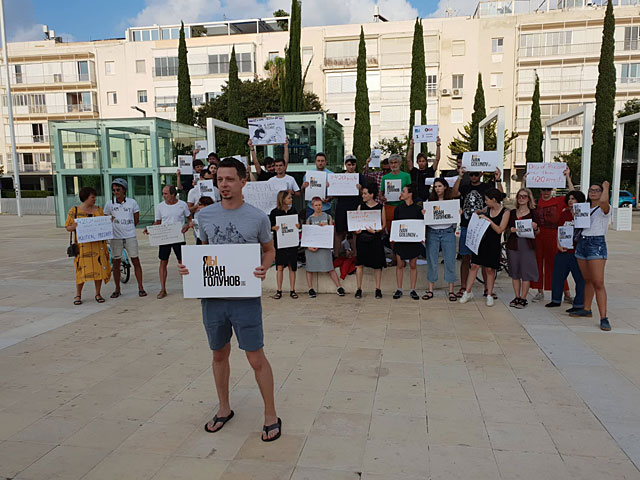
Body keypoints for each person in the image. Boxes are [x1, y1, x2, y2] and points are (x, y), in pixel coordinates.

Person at [177, 157, 282, 442]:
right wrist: (190, 268)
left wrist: (265, 266)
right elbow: (204, 252)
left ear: (243, 181)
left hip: (245, 298)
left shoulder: (258, 217)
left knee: (255, 357)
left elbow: (270, 249)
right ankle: (224, 408)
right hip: (213, 298)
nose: (223, 184)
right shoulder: (205, 216)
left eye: (229, 179)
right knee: (218, 354)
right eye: (219, 179)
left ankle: (271, 414)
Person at [453, 166, 503, 297]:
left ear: (481, 173)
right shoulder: (464, 186)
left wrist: (498, 180)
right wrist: (459, 176)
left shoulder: (487, 187)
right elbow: (453, 194)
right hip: (466, 227)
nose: (473, 177)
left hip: (483, 228)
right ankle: (463, 287)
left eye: (476, 174)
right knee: (465, 258)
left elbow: (500, 197)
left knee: (485, 261)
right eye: (471, 175)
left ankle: (488, 289)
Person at [530, 168, 574, 302]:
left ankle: (566, 293)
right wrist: (526, 181)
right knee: (538, 262)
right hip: (538, 234)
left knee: (557, 264)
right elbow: (524, 197)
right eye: (543, 189)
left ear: (552, 189)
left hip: (554, 234)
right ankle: (539, 291)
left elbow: (573, 194)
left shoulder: (560, 200)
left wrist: (568, 177)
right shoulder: (536, 202)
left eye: (548, 189)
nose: (545, 192)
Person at [572, 182, 612, 331]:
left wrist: (606, 187)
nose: (593, 192)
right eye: (591, 190)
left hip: (596, 242)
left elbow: (603, 201)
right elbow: (574, 196)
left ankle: (604, 317)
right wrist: (569, 178)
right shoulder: (585, 207)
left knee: (598, 282)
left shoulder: (604, 209)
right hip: (583, 242)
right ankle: (586, 308)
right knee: (587, 279)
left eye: (597, 190)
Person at [459, 188, 509, 307]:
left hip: (493, 243)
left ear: (494, 200)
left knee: (490, 269)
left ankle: (489, 294)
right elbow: (479, 211)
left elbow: (500, 230)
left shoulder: (506, 212)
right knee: (474, 265)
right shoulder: (487, 209)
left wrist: (489, 220)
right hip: (481, 241)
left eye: (487, 200)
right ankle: (468, 291)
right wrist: (477, 213)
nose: (485, 202)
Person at [65, 187, 112, 305]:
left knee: (99, 270)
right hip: (82, 247)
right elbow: (68, 227)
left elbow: (103, 224)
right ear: (85, 197)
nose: (95, 199)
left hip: (97, 246)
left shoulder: (98, 210)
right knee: (81, 271)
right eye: (92, 197)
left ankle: (98, 293)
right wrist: (74, 226)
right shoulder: (74, 210)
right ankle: (78, 295)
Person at [145, 186, 191, 299]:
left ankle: (187, 287)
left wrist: (187, 226)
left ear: (173, 194)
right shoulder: (160, 206)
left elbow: (189, 218)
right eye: (163, 193)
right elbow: (158, 221)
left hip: (178, 236)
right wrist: (150, 229)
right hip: (165, 237)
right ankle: (163, 289)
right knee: (163, 262)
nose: (164, 196)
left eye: (166, 193)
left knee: (181, 262)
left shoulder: (182, 204)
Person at [104, 178, 146, 298]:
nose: (116, 192)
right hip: (116, 237)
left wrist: (127, 228)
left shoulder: (132, 202)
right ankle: (117, 289)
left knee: (135, 260)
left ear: (124, 190)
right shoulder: (109, 204)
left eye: (118, 189)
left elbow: (136, 219)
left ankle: (141, 287)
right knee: (116, 263)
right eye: (114, 190)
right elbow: (106, 219)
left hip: (130, 236)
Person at [546, 190, 586, 313]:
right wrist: (558, 243)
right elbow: (560, 230)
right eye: (569, 198)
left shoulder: (584, 214)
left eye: (573, 199)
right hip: (563, 250)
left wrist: (575, 215)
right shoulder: (564, 214)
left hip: (577, 252)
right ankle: (556, 299)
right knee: (558, 276)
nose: (570, 201)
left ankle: (579, 304)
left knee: (579, 278)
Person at [424, 178, 458, 301]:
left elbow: (455, 217)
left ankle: (451, 290)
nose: (437, 188)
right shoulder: (429, 200)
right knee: (432, 260)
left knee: (450, 261)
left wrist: (457, 213)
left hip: (447, 232)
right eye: (436, 186)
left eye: (439, 186)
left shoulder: (451, 201)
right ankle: (430, 289)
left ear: (445, 187)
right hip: (432, 232)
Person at [305, 197, 345, 298]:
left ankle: (339, 287)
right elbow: (307, 235)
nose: (319, 207)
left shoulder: (328, 217)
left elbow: (331, 232)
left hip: (324, 246)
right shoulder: (309, 219)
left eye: (320, 205)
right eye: (316, 205)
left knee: (330, 267)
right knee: (310, 268)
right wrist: (309, 246)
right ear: (312, 206)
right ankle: (310, 288)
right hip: (312, 247)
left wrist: (326, 226)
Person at [505, 188, 539, 309]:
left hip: (527, 245)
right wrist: (511, 230)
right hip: (513, 244)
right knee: (515, 272)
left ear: (529, 198)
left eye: (524, 196)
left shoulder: (534, 213)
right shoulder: (512, 213)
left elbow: (538, 231)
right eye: (519, 196)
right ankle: (517, 296)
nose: (521, 198)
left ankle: (523, 298)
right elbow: (506, 228)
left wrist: (535, 227)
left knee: (526, 272)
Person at [354, 183, 386, 299]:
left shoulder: (380, 207)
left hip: (375, 237)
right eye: (363, 193)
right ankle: (358, 288)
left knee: (377, 265)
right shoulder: (360, 207)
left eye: (365, 193)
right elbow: (356, 223)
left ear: (372, 195)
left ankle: (378, 289)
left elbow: (383, 225)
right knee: (359, 264)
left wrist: (376, 231)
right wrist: (356, 230)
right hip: (362, 238)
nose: (363, 195)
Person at [391, 184, 423, 300]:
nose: (402, 193)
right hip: (401, 240)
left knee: (413, 265)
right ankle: (399, 289)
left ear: (410, 194)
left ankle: (412, 289)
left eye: (404, 191)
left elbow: (420, 225)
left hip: (413, 241)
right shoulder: (398, 208)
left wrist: (421, 237)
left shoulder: (418, 209)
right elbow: (395, 224)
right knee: (400, 264)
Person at [269, 190, 300, 299]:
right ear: (282, 199)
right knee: (280, 266)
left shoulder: (293, 210)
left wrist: (297, 226)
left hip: (292, 242)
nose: (291, 199)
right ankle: (279, 290)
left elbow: (297, 224)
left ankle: (292, 290)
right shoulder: (274, 212)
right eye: (289, 198)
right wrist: (274, 228)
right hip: (281, 243)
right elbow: (269, 227)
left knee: (292, 266)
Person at [334, 155, 366, 254]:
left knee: (355, 232)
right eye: (349, 165)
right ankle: (336, 255)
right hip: (341, 207)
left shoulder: (360, 177)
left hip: (355, 207)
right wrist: (330, 186)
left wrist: (360, 189)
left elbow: (364, 195)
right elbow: (333, 193)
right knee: (339, 232)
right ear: (345, 165)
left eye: (353, 164)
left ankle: (356, 256)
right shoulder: (339, 177)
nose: (351, 167)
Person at [380, 154, 412, 233]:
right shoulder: (385, 177)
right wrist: (382, 198)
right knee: (391, 230)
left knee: (403, 229)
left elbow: (411, 191)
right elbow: (380, 193)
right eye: (391, 163)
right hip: (389, 206)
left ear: (400, 163)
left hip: (403, 206)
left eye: (395, 162)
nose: (393, 165)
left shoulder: (406, 176)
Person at [407, 137, 441, 202]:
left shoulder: (430, 171)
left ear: (426, 162)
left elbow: (437, 159)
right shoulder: (414, 171)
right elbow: (408, 160)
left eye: (423, 161)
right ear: (417, 162)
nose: (421, 163)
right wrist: (411, 147)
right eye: (420, 161)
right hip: (415, 198)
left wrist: (438, 145)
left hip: (427, 198)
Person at [301, 153, 333, 218]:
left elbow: (335, 193)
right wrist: (304, 187)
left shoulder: (331, 175)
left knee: (326, 227)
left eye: (322, 161)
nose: (320, 163)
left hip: (325, 208)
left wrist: (329, 198)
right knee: (310, 227)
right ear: (315, 162)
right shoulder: (308, 175)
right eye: (318, 161)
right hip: (311, 207)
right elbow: (303, 191)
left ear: (325, 162)